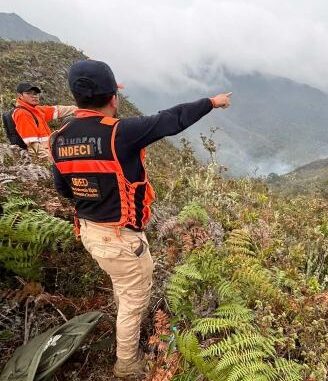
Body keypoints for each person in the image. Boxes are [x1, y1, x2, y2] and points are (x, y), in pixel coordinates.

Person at [49, 59, 231, 378]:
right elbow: (169, 120)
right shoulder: (119, 133)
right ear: (112, 98)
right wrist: (212, 103)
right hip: (120, 239)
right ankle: (127, 365)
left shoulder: (58, 139)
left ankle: (124, 331)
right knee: (135, 300)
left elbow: (63, 190)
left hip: (90, 233)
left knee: (123, 286)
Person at [13, 82, 77, 158]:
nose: (34, 96)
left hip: (50, 151)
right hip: (43, 157)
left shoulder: (36, 110)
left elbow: (58, 110)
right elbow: (33, 147)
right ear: (20, 95)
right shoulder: (22, 113)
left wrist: (81, 108)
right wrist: (53, 161)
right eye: (28, 93)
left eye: (35, 93)